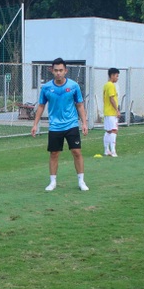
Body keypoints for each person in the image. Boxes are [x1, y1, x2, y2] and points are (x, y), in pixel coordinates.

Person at [31, 58, 89, 191]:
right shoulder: (46, 88)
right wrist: (35, 124)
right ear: (52, 71)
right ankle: (52, 182)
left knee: (76, 151)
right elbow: (41, 106)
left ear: (65, 71)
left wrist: (84, 123)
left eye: (61, 70)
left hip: (71, 124)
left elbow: (79, 105)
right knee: (54, 153)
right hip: (55, 126)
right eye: (56, 70)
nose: (58, 73)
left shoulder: (74, 86)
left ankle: (81, 181)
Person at [103, 67, 120, 157]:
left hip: (107, 112)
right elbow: (111, 98)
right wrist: (117, 110)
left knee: (108, 131)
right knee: (114, 130)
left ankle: (106, 150)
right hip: (111, 112)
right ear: (112, 75)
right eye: (116, 76)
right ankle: (113, 151)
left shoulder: (106, 85)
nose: (117, 78)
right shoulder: (111, 85)